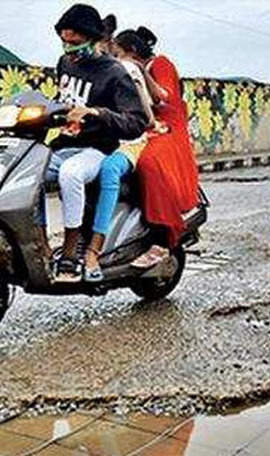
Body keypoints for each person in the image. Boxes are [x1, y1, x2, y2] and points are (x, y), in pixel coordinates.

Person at [43, 4, 149, 283]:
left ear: (93, 40)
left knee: (71, 174)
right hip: (64, 145)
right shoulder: (64, 64)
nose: (69, 50)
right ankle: (38, 245)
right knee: (28, 173)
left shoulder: (114, 73)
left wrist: (97, 113)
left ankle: (74, 249)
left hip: (97, 149)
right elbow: (62, 99)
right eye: (64, 42)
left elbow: (136, 121)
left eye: (75, 44)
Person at [81, 20, 159, 282]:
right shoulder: (89, 71)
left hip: (130, 138)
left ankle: (97, 245)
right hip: (106, 137)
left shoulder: (122, 69)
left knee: (109, 170)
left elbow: (143, 118)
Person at [119, 26, 201, 269]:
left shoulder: (159, 64)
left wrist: (141, 73)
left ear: (132, 52)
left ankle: (161, 238)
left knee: (147, 163)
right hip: (144, 126)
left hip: (168, 128)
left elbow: (162, 97)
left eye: (118, 54)